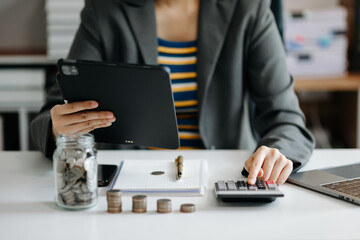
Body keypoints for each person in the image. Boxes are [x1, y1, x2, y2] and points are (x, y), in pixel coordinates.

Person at [31, 0, 315, 186]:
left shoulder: (247, 9)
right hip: (131, 181)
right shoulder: (105, 10)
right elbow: (52, 113)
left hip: (226, 179)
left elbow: (286, 117)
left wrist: (278, 152)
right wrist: (57, 129)